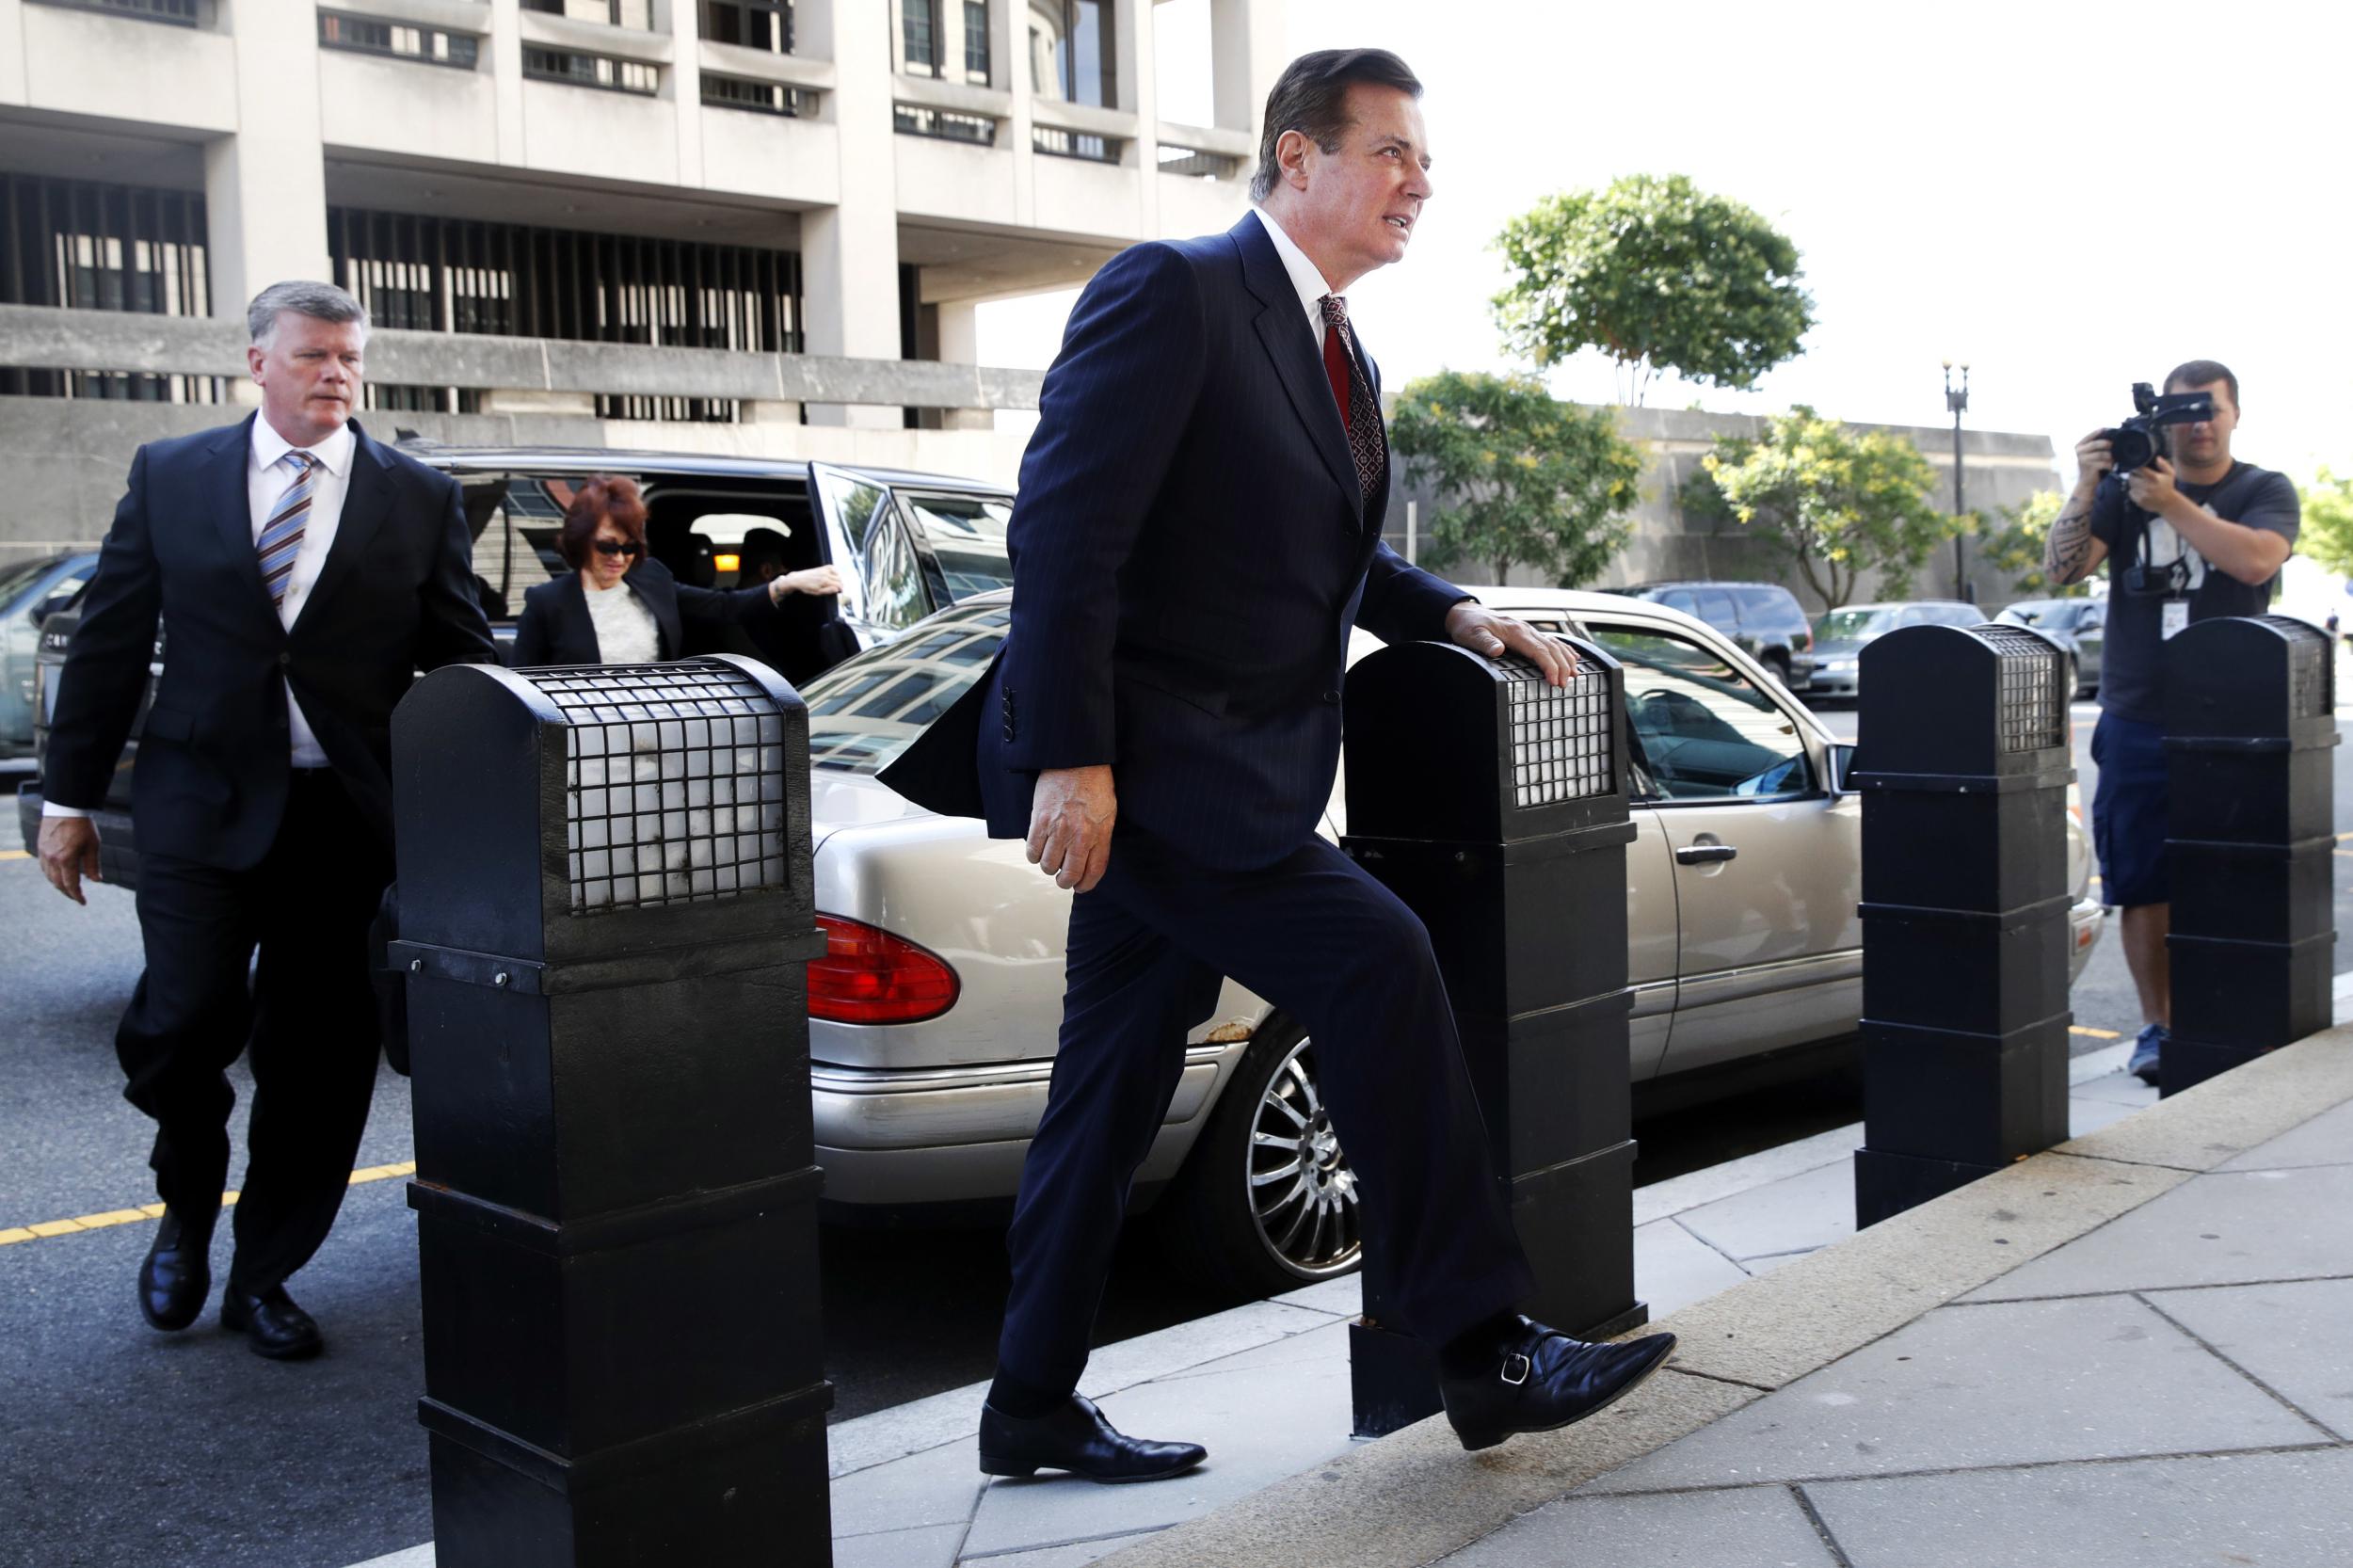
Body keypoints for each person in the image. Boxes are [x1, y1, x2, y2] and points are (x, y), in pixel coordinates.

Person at [880, 48, 1676, 1482]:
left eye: (1423, 161)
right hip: (1162, 771)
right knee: (1378, 954)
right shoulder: (1173, 291)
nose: (1418, 182)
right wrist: (1073, 758)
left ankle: (1028, 1400)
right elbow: (1063, 533)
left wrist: (1444, 608)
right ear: (1297, 157)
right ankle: (1483, 1344)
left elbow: (1317, 544)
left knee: (1110, 1086)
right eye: (1390, 152)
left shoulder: (1339, 343)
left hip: (1217, 774)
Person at [36, 280, 498, 1358]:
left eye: (348, 357)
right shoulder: (172, 475)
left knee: (320, 1059)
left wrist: (498, 787)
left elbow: (465, 657)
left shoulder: (417, 497)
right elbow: (109, 644)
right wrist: (68, 801)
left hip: (343, 820)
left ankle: (264, 1270)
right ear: (256, 362)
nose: (334, 372)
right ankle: (187, 1200)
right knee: (181, 1023)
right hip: (199, 803)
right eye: (312, 355)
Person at [2044, 360, 2300, 1085]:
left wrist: (2176, 505)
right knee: (2144, 880)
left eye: (2209, 408)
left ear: (2234, 414)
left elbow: (2255, 563)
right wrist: (2088, 482)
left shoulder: (2261, 489)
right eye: (2183, 411)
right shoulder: (2124, 492)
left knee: (2239, 870)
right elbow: (2062, 570)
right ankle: (2159, 1026)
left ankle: (2237, 1011)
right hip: (2136, 715)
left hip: (2235, 714)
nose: (2197, 422)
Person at [507, 477, 840, 665]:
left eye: (630, 547)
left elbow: (723, 606)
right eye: (608, 546)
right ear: (580, 541)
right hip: (579, 751)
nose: (619, 558)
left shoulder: (651, 579)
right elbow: (520, 695)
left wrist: (789, 582)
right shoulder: (547, 602)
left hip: (653, 744)